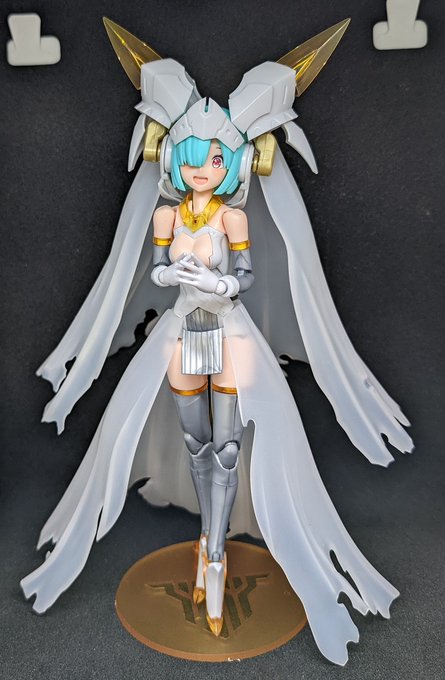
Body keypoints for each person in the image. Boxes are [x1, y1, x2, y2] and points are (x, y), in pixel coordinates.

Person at [20, 20, 413, 665]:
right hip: (184, 330)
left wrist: (222, 283)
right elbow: (151, 269)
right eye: (190, 158)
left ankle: (215, 554)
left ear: (232, 164)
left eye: (214, 160)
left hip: (227, 329)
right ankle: (210, 542)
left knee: (228, 449)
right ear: (172, 158)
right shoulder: (167, 213)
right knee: (198, 444)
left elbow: (248, 273)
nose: (201, 169)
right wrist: (176, 275)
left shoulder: (232, 215)